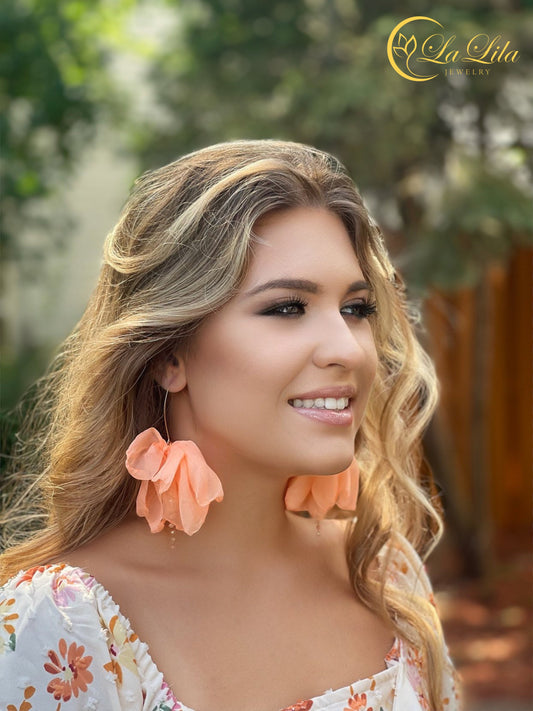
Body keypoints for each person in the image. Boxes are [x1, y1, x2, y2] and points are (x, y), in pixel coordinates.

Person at [0, 139, 460, 711]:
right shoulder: (64, 624)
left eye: (357, 308)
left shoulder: (382, 572)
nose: (347, 348)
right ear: (170, 355)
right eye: (287, 307)